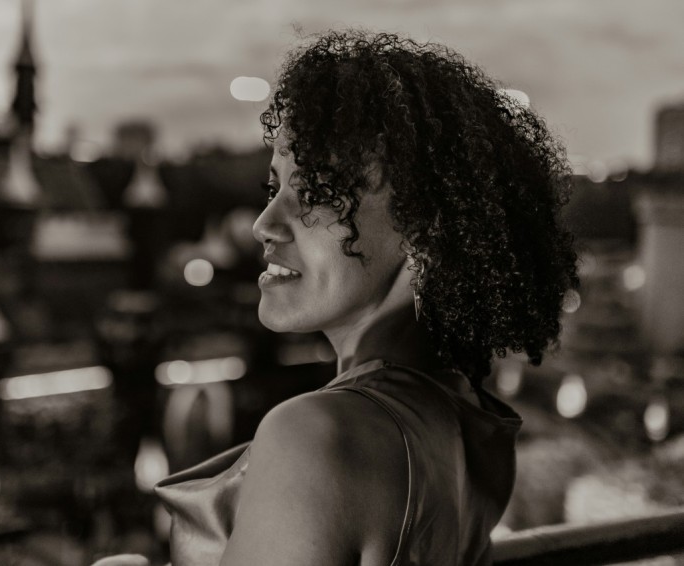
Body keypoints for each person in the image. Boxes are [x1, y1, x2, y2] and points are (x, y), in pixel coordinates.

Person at [95, 29, 578, 566]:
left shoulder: (316, 436)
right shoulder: (469, 424)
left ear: (427, 227)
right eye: (274, 187)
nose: (263, 224)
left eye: (317, 193)